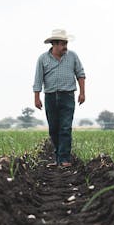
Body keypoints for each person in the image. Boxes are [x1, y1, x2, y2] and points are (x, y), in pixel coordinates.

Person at [33, 29, 86, 168]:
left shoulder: (73, 56)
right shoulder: (43, 59)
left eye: (66, 43)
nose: (65, 46)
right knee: (53, 129)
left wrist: (82, 93)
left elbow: (80, 74)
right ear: (54, 44)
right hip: (50, 97)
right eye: (62, 43)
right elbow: (38, 79)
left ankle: (64, 159)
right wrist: (36, 97)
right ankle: (59, 157)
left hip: (67, 96)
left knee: (65, 128)